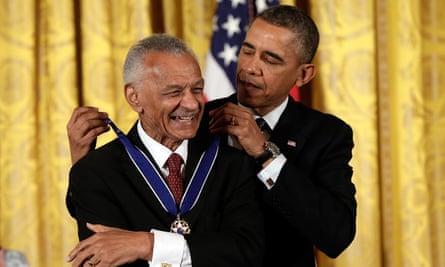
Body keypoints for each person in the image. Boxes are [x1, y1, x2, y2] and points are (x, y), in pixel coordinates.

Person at [67, 5, 357, 267]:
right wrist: (83, 163)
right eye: (247, 50)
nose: (250, 68)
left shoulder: (327, 135)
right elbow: (129, 184)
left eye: (271, 59)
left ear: (303, 75)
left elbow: (337, 235)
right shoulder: (193, 117)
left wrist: (265, 153)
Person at [65, 33, 264, 267]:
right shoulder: (94, 172)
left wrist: (148, 245)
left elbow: (248, 252)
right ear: (134, 97)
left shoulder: (233, 163)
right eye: (174, 92)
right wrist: (203, 251)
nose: (191, 103)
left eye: (197, 89)